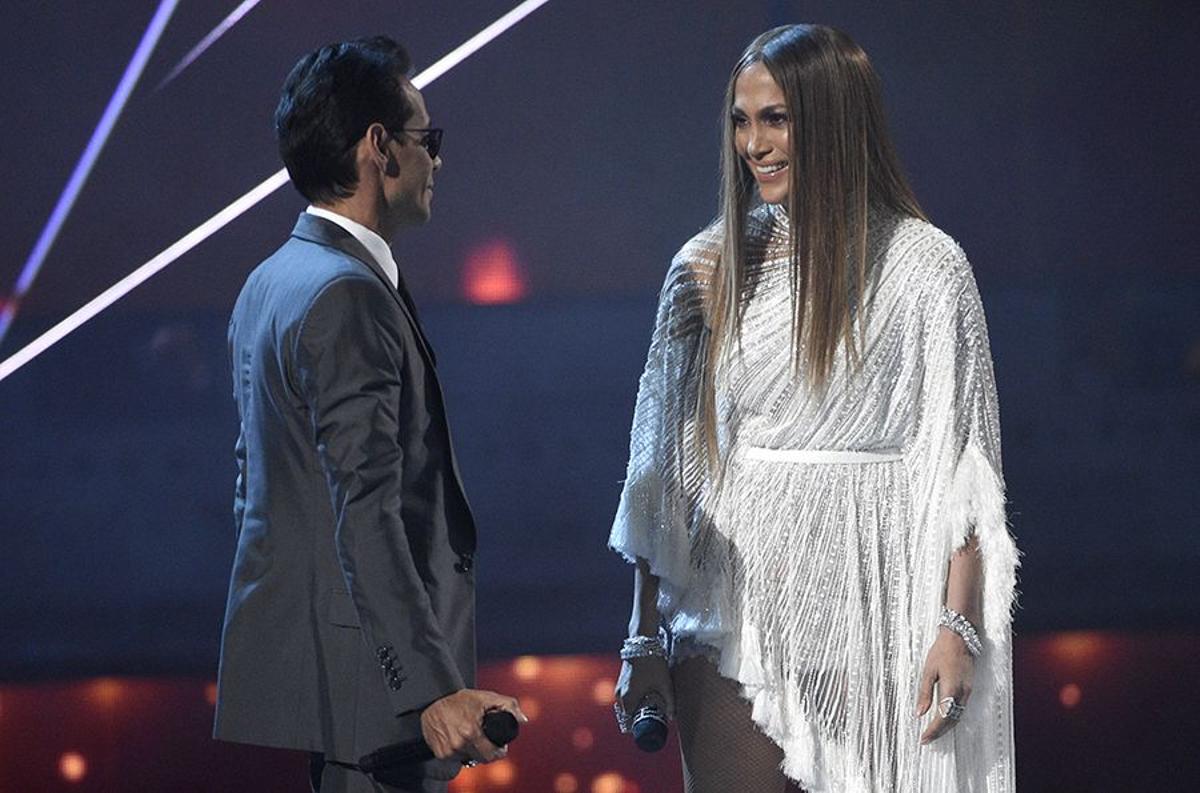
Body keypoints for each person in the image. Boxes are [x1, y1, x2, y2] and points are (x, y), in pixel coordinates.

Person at [610, 24, 1017, 793]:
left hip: (881, 618)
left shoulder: (927, 267)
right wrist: (641, 636)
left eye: (776, 118)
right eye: (741, 119)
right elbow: (657, 466)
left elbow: (965, 466)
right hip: (735, 621)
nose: (753, 143)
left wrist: (958, 627)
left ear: (833, 119)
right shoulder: (706, 268)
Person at [214, 36, 525, 793]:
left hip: (327, 676)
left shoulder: (270, 281)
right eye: (427, 139)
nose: (437, 160)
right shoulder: (347, 294)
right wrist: (427, 690)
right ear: (378, 148)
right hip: (376, 699)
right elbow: (366, 507)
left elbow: (258, 488)